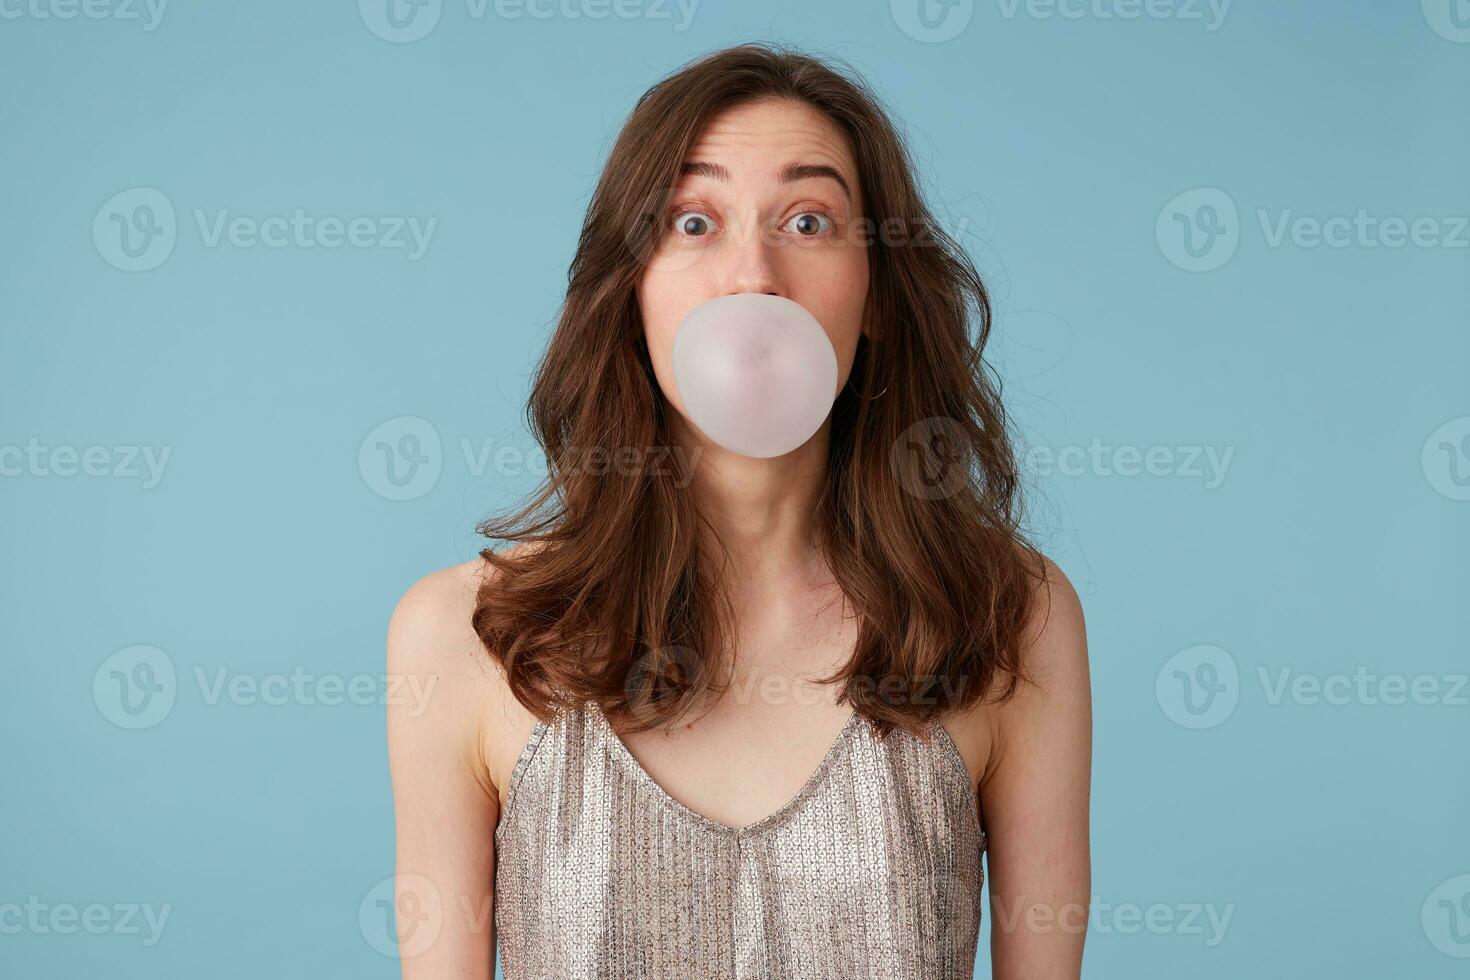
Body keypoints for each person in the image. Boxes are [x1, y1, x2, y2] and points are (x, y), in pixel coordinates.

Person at [387, 42, 1091, 980]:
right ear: (630, 284)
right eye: (692, 221)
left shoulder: (1013, 619)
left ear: (875, 290)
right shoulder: (459, 636)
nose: (754, 278)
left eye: (808, 220)